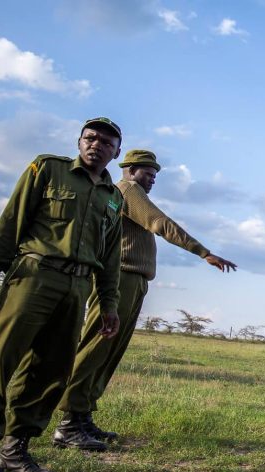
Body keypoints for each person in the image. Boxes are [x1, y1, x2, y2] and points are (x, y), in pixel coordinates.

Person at [52, 149, 237, 451]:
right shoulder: (128, 190)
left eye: (155, 176)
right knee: (97, 347)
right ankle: (69, 423)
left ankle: (82, 416)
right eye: (149, 174)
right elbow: (160, 223)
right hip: (120, 277)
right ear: (131, 169)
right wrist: (203, 252)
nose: (152, 180)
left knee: (110, 350)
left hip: (133, 279)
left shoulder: (127, 190)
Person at [0, 117, 124, 472]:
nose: (96, 145)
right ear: (79, 141)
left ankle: (15, 450)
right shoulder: (47, 169)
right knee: (2, 358)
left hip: (77, 287)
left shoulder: (113, 198)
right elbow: (11, 222)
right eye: (90, 138)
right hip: (34, 275)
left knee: (50, 369)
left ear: (116, 153)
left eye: (106, 142)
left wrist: (109, 304)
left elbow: (111, 257)